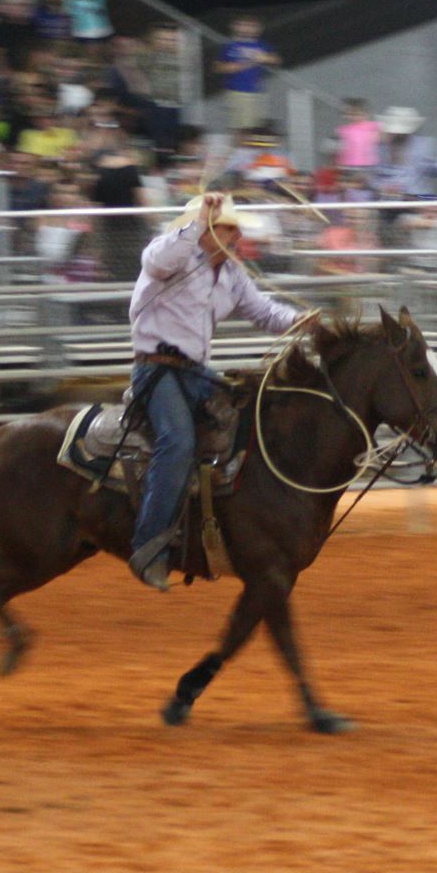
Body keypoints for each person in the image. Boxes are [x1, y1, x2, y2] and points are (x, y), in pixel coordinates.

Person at [125, 191, 312, 591]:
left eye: (235, 228)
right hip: (155, 370)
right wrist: (198, 223)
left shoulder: (231, 275)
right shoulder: (170, 255)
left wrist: (301, 321)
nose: (237, 234)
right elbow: (158, 261)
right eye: (228, 227)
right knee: (176, 443)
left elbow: (263, 312)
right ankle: (149, 546)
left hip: (195, 373)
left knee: (250, 419)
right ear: (208, 228)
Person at [217, 15, 277, 134]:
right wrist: (238, 66)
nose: (247, 29)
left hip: (257, 91)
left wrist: (263, 58)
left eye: (251, 26)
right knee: (240, 127)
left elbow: (275, 59)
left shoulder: (262, 45)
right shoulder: (230, 46)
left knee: (258, 125)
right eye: (244, 25)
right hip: (236, 91)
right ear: (235, 26)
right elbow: (218, 66)